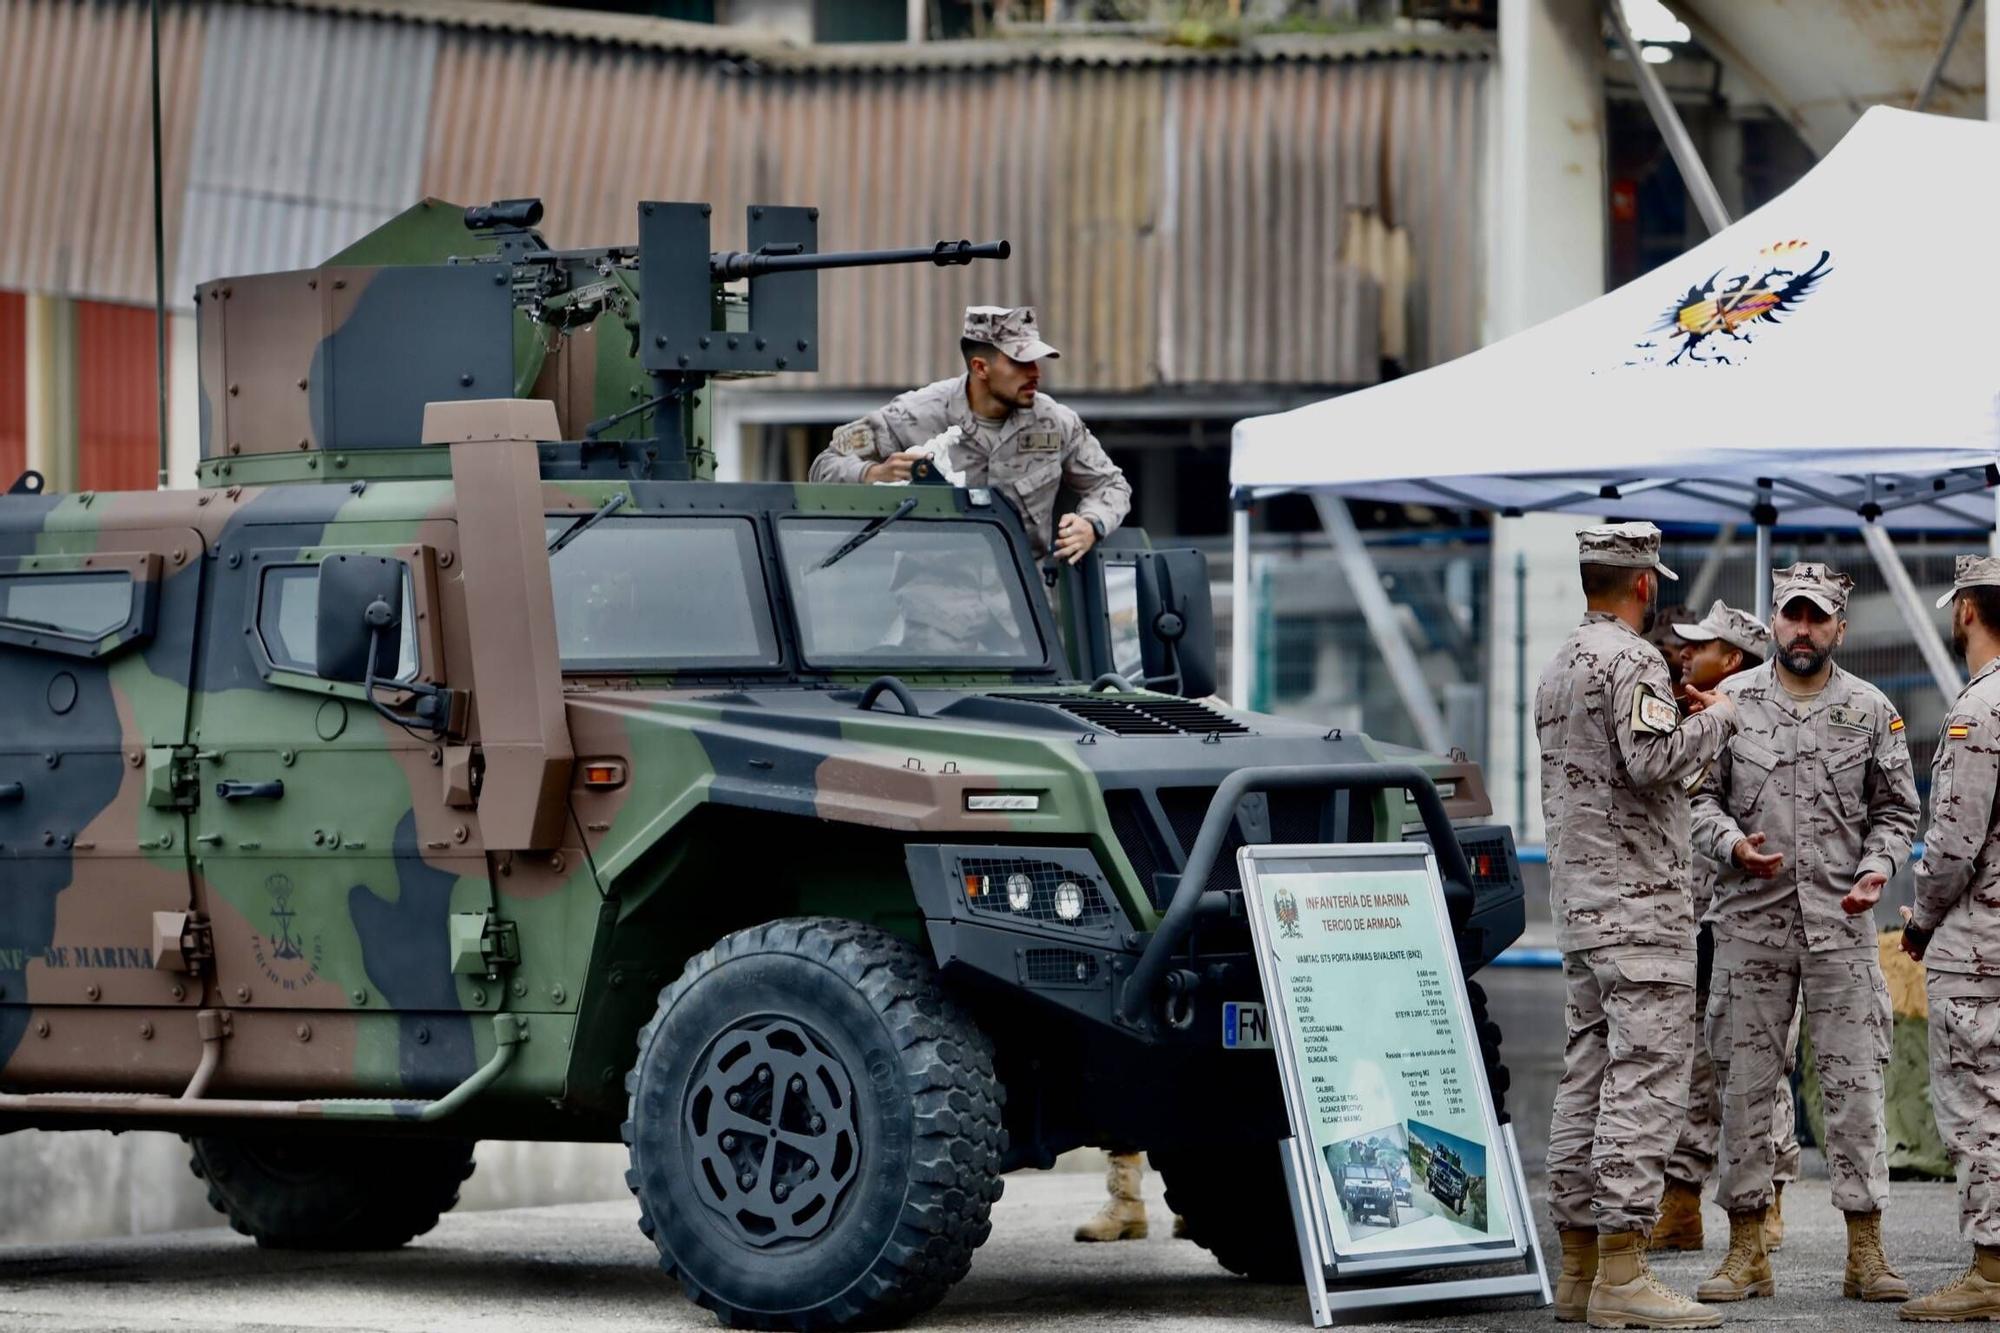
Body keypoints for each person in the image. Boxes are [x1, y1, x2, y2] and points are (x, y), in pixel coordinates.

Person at [1687, 564, 1917, 1306]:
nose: (1803, 629)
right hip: (1752, 929)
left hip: (1842, 930)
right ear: (1775, 620)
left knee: (1855, 1093)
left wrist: (1880, 866)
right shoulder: (1732, 705)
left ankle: (1866, 1250)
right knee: (1745, 1093)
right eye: (1792, 615)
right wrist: (1732, 846)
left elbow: (1897, 812)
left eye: (1818, 618)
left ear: (1839, 628)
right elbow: (1695, 800)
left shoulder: (1871, 710)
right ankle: (1747, 1250)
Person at [1537, 522, 1738, 1328]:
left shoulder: (1560, 664)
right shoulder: (1633, 659)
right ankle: (1624, 1268)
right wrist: (1717, 715)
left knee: (1586, 1071)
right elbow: (1655, 762)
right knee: (1648, 1077)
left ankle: (1579, 1269)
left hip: (1582, 907)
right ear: (1645, 584)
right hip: (1641, 908)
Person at [1653, 600, 1797, 1255]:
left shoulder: (1763, 727)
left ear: (1732, 660)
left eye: (1702, 646)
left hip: (1746, 917)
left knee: (1756, 1065)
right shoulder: (1690, 717)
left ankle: (1768, 1200)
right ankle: (1681, 1204)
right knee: (1690, 1067)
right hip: (1688, 916)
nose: (1688, 652)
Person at [808, 306, 1131, 565]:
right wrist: (873, 473)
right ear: (980, 367)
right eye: (1020, 362)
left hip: (1026, 609)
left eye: (1036, 361)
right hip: (936, 611)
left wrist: (1092, 524)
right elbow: (824, 466)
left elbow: (1111, 484)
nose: (1035, 372)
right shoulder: (914, 414)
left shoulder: (1056, 423)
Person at [1899, 556, 2000, 1322]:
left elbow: (1956, 844)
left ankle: (1992, 1269)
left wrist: (1921, 918)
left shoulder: (1979, 710)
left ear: (1965, 609)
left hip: (1979, 946)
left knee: (1979, 1107)